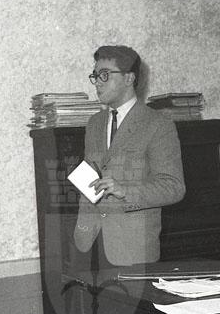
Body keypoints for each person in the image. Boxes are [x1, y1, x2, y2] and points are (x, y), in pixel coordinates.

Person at [74, 45, 185, 266]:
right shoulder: (94, 123)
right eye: (95, 76)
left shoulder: (157, 124)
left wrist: (124, 190)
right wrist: (81, 232)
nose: (98, 82)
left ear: (129, 78)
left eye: (105, 75)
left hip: (133, 252)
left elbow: (173, 187)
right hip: (89, 246)